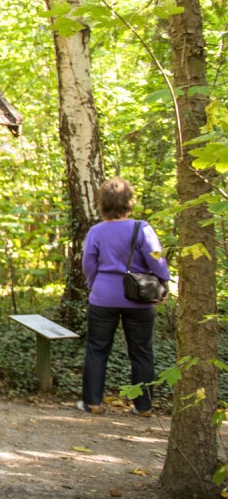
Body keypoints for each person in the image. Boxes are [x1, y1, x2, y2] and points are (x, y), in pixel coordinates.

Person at [79, 177, 170, 416]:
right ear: (129, 201)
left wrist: (94, 284)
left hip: (103, 297)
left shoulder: (96, 231)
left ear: (103, 203)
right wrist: (163, 285)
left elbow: (88, 262)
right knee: (141, 351)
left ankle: (93, 403)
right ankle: (144, 406)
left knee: (97, 350)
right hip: (139, 298)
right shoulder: (143, 228)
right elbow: (157, 260)